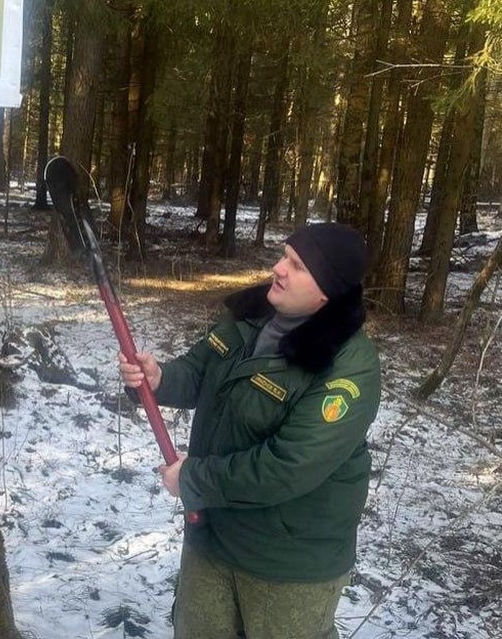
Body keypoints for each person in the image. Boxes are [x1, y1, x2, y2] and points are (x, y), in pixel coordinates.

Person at [119, 222, 381, 639]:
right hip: (213, 534)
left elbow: (288, 466)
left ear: (326, 292)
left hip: (287, 562)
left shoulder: (348, 368)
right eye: (283, 255)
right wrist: (160, 379)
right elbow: (200, 369)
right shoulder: (250, 316)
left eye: (296, 265)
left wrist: (193, 478)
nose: (277, 268)